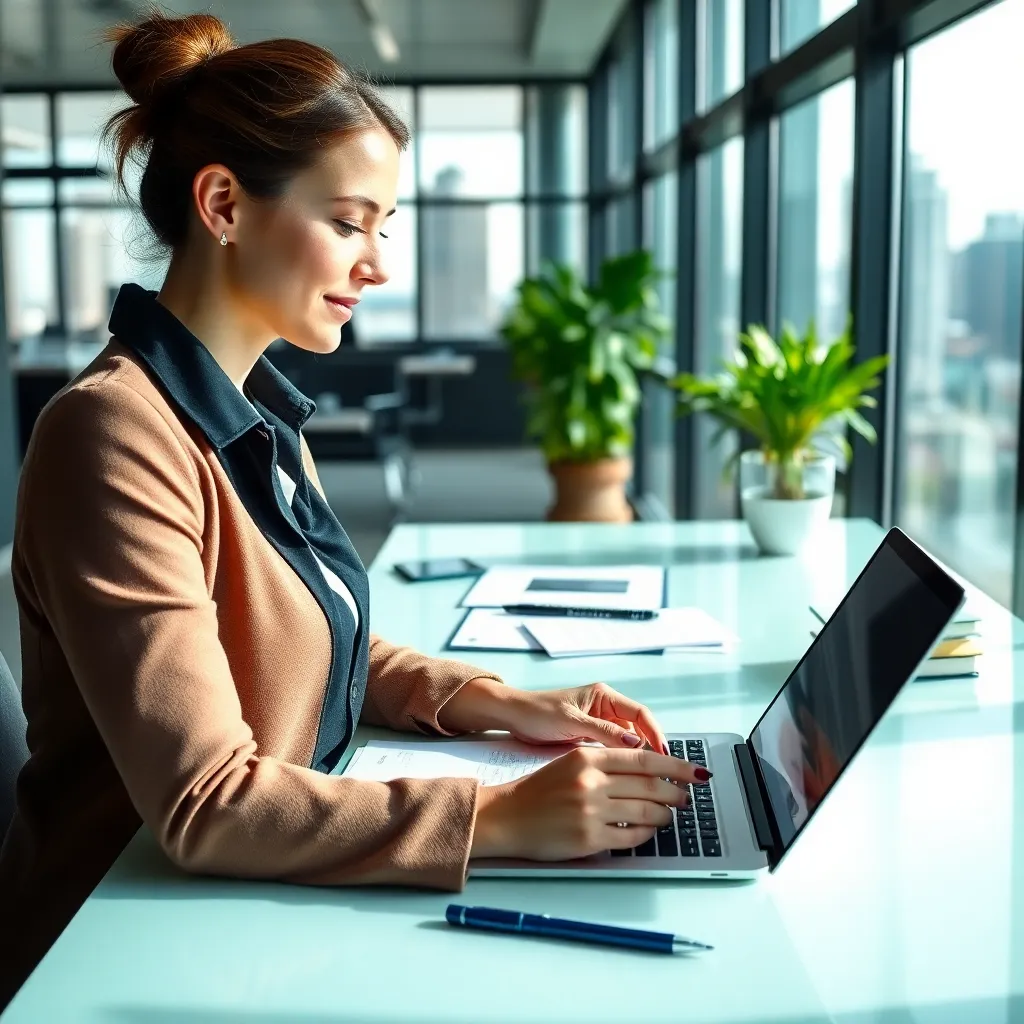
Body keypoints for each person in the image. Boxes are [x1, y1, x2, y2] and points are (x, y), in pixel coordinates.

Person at [0, 12, 706, 1008]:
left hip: (250, 905)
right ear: (224, 205)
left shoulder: (255, 415)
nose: (376, 264)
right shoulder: (115, 434)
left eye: (383, 227)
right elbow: (205, 804)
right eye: (348, 221)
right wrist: (494, 818)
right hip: (118, 946)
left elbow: (311, 644)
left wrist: (496, 701)